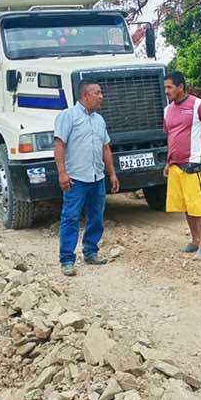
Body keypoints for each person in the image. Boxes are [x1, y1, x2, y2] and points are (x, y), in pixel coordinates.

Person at [54, 81, 119, 276]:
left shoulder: (99, 120)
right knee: (71, 217)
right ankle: (67, 259)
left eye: (101, 93)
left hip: (97, 177)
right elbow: (59, 145)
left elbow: (105, 148)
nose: (101, 96)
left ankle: (91, 252)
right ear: (84, 95)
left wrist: (112, 174)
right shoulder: (68, 116)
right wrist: (62, 173)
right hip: (76, 179)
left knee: (96, 217)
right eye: (97, 93)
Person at [163, 71, 201, 260]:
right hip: (176, 166)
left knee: (199, 206)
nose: (166, 91)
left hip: (195, 164)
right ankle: (195, 240)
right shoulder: (167, 110)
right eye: (165, 87)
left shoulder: (199, 105)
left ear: (180, 87)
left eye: (169, 87)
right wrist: (168, 162)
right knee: (187, 205)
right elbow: (171, 136)